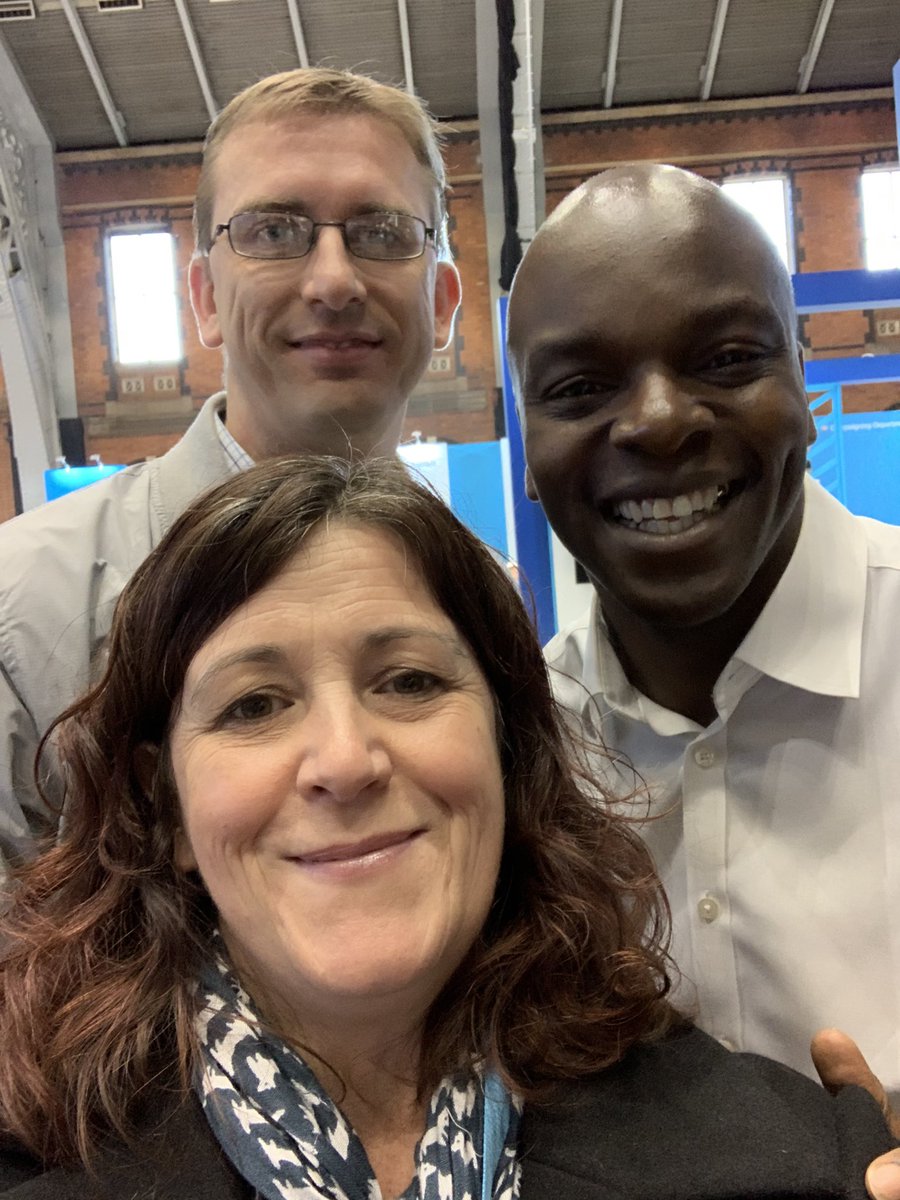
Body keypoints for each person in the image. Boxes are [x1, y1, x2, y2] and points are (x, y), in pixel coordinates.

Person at [0, 456, 894, 1200]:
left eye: (409, 682)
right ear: (166, 811)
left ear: (508, 749)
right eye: (255, 704)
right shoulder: (36, 1164)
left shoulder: (802, 1166)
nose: (345, 760)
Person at [506, 163, 900, 1183]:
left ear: (805, 389)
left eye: (726, 359)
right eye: (580, 388)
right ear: (529, 450)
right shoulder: (516, 754)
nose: (657, 421)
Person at [0, 66, 461, 873]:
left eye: (383, 231)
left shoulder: (475, 594)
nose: (334, 280)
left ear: (444, 301)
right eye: (273, 232)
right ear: (206, 299)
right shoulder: (25, 610)